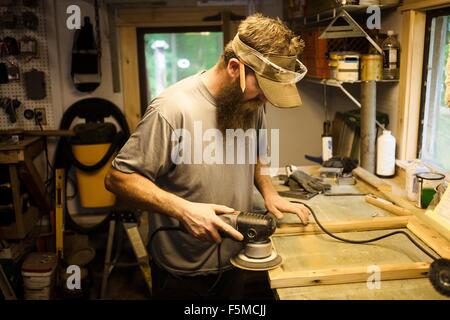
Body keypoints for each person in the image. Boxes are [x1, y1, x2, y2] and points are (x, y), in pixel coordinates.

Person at [105, 13, 310, 299]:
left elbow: (258, 152)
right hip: (183, 270)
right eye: (263, 89)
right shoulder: (172, 109)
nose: (265, 99)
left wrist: (269, 192)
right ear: (235, 68)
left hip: (237, 258)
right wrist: (183, 209)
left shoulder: (251, 105)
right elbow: (119, 179)